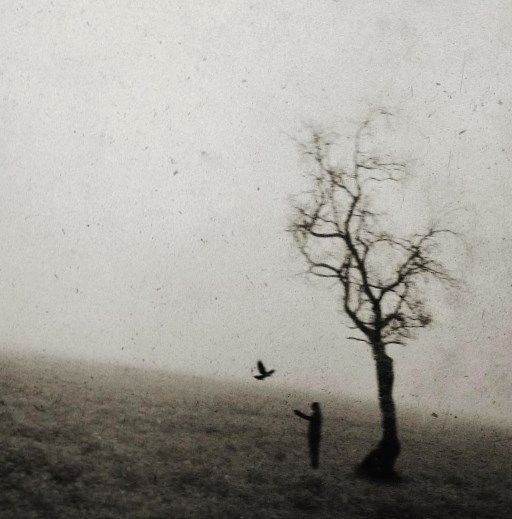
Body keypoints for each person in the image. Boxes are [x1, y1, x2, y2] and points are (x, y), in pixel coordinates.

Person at [294, 402, 322, 469]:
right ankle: (314, 465)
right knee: (314, 450)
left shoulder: (316, 414)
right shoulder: (318, 413)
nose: (311, 408)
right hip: (316, 435)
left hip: (313, 435)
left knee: (313, 450)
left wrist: (299, 413)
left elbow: (308, 418)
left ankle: (314, 465)